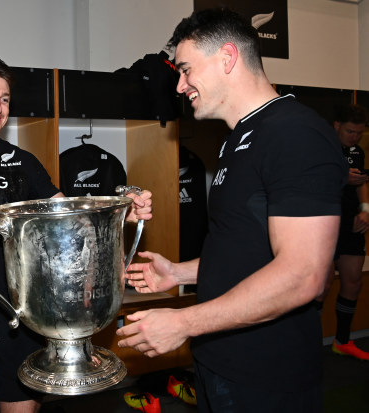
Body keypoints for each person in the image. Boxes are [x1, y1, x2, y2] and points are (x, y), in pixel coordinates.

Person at [116, 8, 347, 413]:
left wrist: (183, 323)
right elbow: (247, 250)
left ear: (227, 58)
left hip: (267, 376)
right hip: (219, 364)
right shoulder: (237, 138)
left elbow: (303, 276)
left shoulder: (295, 133)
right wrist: (179, 272)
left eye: (186, 70)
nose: (180, 86)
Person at [0, 54, 152, 413]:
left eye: (4, 99)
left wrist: (123, 210)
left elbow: (72, 219)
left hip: (25, 318)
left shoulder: (26, 163)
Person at [322, 104, 369, 359]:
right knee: (322, 285)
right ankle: (305, 344)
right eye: (350, 131)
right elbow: (309, 182)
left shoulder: (356, 151)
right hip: (326, 224)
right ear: (337, 125)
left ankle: (341, 341)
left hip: (353, 224)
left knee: (353, 282)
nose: (355, 137)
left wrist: (366, 209)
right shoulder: (320, 146)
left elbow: (361, 181)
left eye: (359, 133)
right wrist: (342, 178)